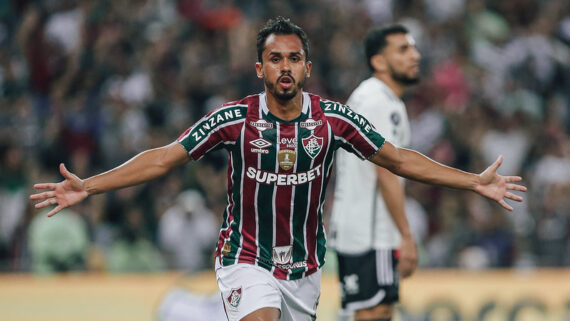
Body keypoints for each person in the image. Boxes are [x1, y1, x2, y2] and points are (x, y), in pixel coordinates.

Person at [30, 17, 526, 321]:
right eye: (274, 59)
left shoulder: (332, 120)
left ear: (307, 67)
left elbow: (397, 159)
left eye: (293, 58)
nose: (284, 66)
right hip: (245, 257)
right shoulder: (233, 120)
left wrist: (472, 181)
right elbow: (163, 157)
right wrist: (90, 187)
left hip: (306, 270)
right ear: (260, 69)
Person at [330, 25, 420, 321]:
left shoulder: (369, 97)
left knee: (370, 311)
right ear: (379, 61)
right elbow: (386, 172)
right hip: (372, 233)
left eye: (414, 48)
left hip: (355, 227)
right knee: (375, 312)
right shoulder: (380, 101)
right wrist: (405, 236)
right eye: (403, 50)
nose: (414, 56)